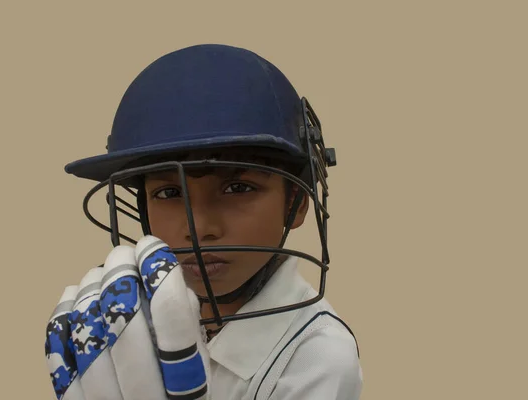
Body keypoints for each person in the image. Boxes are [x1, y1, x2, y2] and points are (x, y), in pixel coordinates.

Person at [45, 43, 363, 400]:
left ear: (297, 203)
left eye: (238, 187)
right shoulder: (126, 322)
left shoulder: (316, 355)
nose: (198, 228)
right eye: (168, 194)